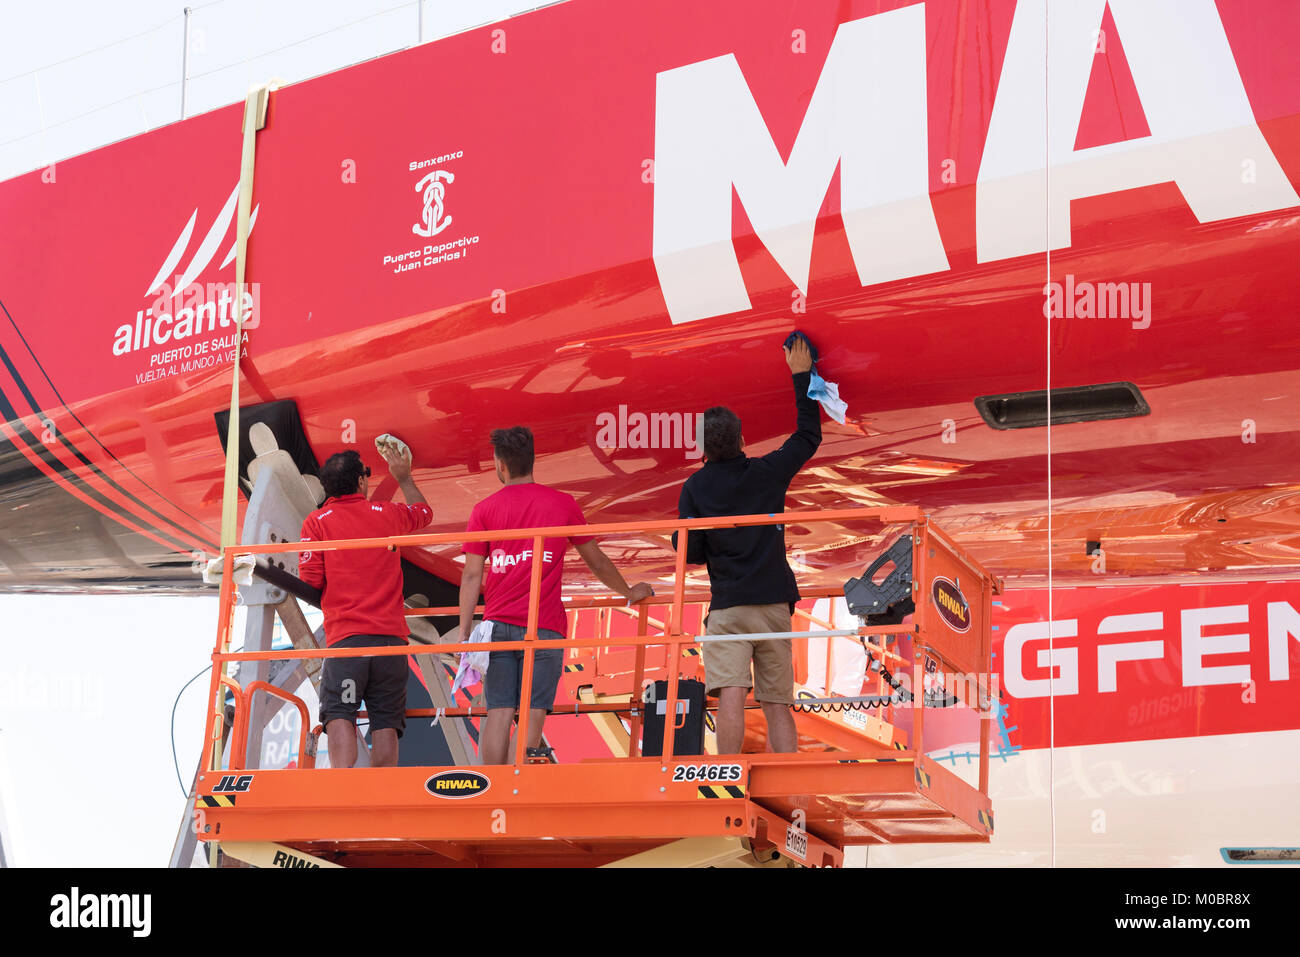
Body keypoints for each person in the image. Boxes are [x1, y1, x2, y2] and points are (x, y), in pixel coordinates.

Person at [458, 426, 653, 764]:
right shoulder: (561, 504)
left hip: (498, 626)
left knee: (499, 711)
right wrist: (627, 590)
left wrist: (463, 634)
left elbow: (472, 574)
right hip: (545, 627)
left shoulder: (484, 509)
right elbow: (597, 560)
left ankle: (491, 787)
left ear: (500, 465)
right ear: (532, 461)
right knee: (533, 711)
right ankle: (518, 782)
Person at [674, 336, 822, 754]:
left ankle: (729, 780)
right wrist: (801, 376)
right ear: (742, 439)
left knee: (732, 696)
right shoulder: (767, 473)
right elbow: (809, 436)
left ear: (703, 448)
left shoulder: (695, 488)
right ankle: (790, 785)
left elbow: (689, 551)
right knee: (778, 704)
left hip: (729, 607)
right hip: (773, 604)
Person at [299, 444, 431, 768]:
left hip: (348, 641)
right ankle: (381, 792)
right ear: (361, 482)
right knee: (385, 721)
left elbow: (311, 581)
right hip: (391, 642)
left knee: (339, 711)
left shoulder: (316, 524)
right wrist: (404, 477)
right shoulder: (386, 514)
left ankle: (344, 786)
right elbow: (424, 514)